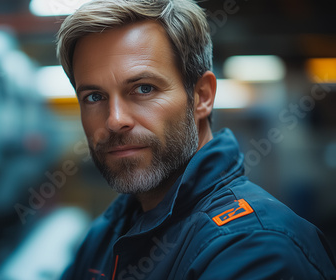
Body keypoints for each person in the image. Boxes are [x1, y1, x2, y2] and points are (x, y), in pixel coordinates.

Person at [56, 0, 336, 279]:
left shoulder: (255, 248)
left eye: (143, 88)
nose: (115, 120)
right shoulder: (104, 236)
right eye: (94, 97)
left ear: (202, 96)